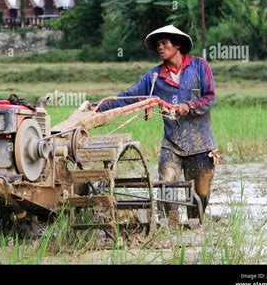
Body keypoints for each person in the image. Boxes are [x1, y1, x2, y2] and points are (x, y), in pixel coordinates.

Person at [93, 25, 218, 225]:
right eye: (158, 44)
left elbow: (210, 97)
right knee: (167, 181)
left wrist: (187, 106)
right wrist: (96, 107)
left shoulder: (199, 66)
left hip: (201, 144)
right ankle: (172, 222)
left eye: (164, 43)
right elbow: (128, 97)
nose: (160, 47)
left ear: (177, 44)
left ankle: (196, 225)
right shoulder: (154, 77)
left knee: (200, 194)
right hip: (173, 144)